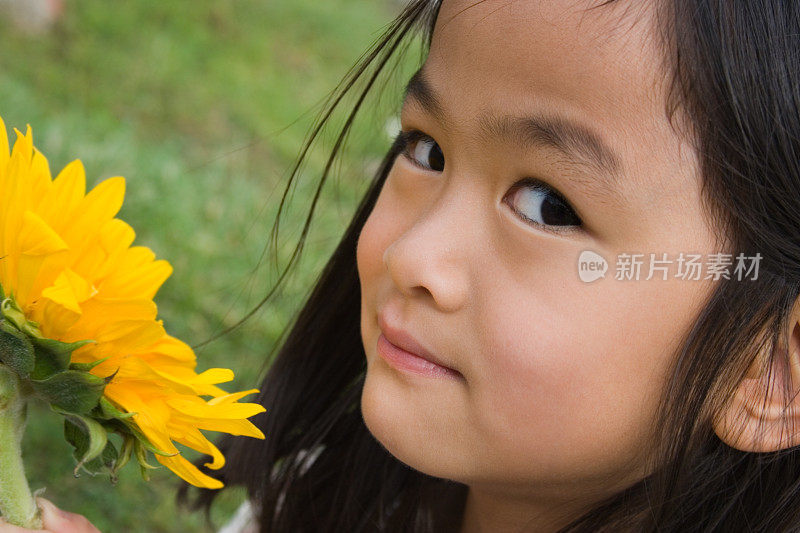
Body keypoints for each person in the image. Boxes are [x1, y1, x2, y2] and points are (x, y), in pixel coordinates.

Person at [4, 0, 800, 531]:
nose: (414, 253)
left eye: (551, 206)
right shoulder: (326, 496)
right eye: (427, 149)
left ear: (770, 370)